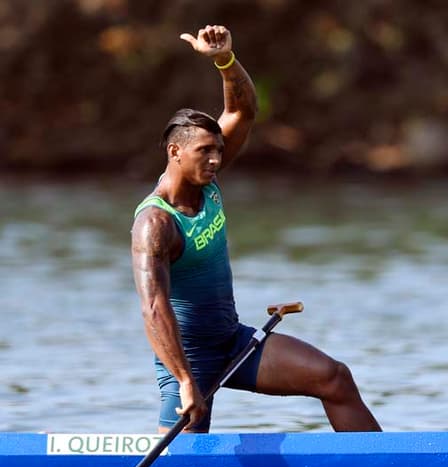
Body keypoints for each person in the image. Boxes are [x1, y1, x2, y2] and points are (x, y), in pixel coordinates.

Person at [131, 25, 381, 433]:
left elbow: (242, 111)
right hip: (188, 358)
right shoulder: (155, 224)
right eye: (204, 152)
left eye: (218, 150)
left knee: (334, 377)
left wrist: (225, 62)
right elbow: (154, 310)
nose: (215, 159)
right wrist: (184, 381)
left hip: (233, 343)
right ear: (175, 152)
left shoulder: (205, 181)